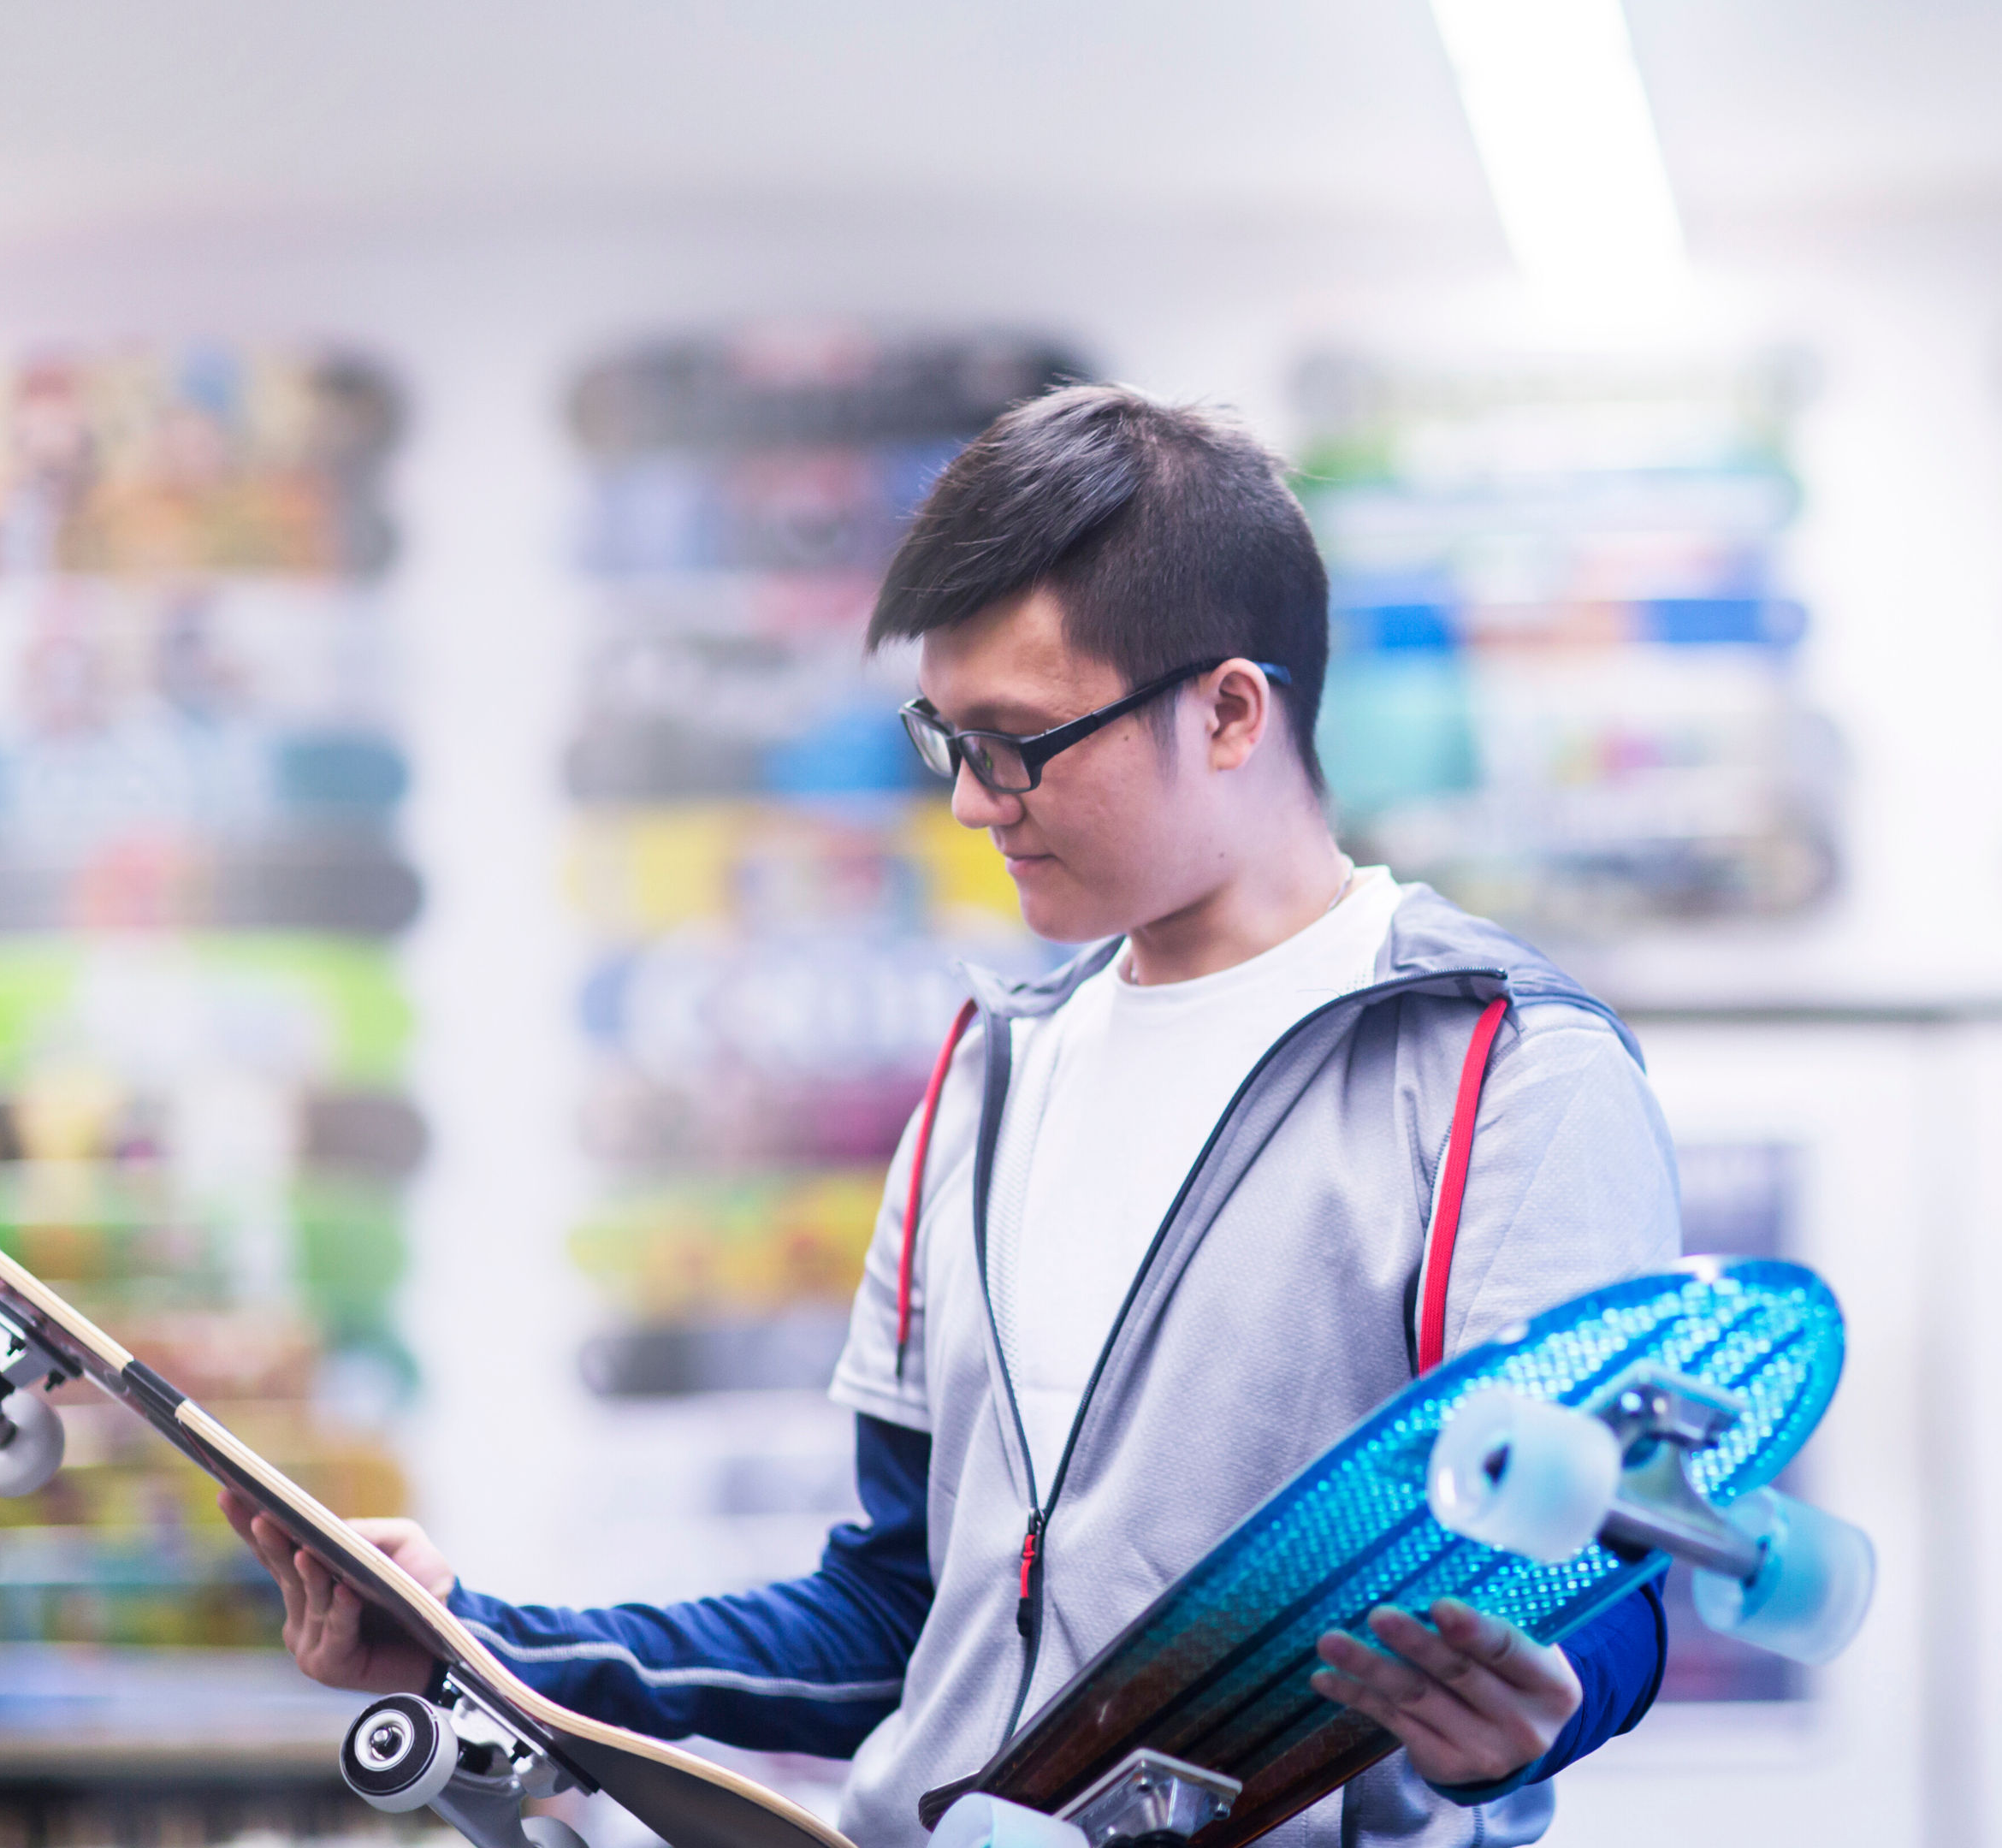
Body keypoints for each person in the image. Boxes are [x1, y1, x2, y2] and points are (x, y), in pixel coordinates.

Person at [224, 384, 1684, 1847]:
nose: (976, 807)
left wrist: (1530, 1720)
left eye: (1019, 741)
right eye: (950, 739)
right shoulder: (994, 1074)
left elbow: (1616, 1576)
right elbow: (896, 1620)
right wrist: (479, 1643)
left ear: (1231, 709)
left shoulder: (1506, 1067)